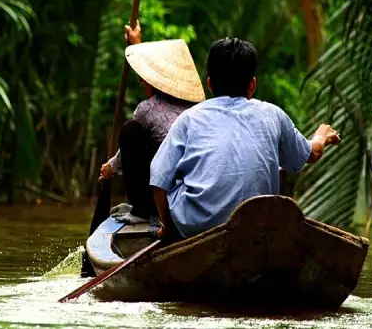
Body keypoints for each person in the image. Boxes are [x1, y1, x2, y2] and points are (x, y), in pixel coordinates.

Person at [149, 37, 340, 239]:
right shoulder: (272, 114)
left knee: (175, 179)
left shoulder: (188, 118)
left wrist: (168, 229)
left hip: (196, 229)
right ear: (252, 85)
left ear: (210, 84)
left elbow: (158, 178)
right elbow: (312, 153)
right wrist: (322, 135)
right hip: (258, 226)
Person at [98, 24, 205, 220]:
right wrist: (136, 44)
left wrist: (110, 168)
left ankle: (140, 211)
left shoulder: (147, 108)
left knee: (130, 130)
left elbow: (126, 152)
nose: (141, 82)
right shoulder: (200, 108)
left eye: (144, 79)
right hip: (199, 192)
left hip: (164, 197)